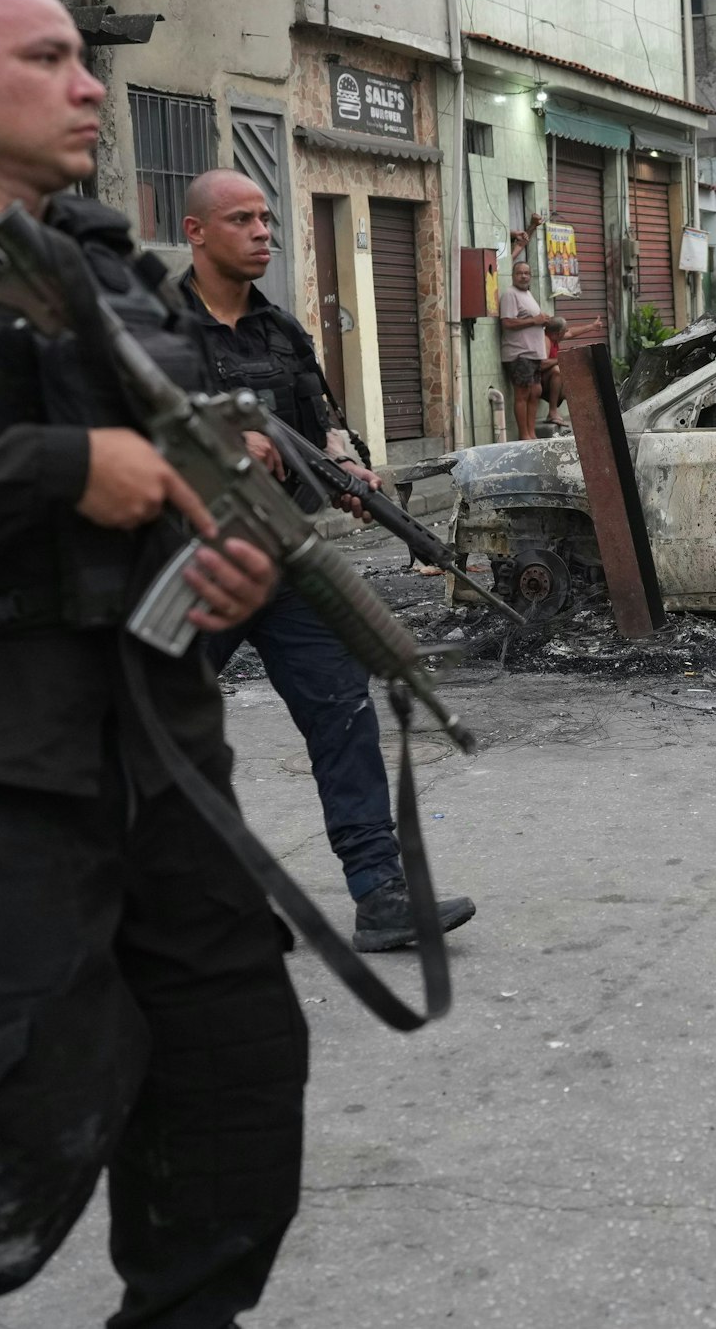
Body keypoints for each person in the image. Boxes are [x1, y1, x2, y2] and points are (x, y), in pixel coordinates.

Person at [0, 0, 301, 1328]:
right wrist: (56, 469)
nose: (90, 84)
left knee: (237, 1095)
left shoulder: (107, 264)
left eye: (85, 59)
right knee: (33, 1118)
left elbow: (178, 473)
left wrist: (231, 557)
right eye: (49, 58)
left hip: (164, 749)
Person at [177, 169, 476, 953]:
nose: (262, 232)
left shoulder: (281, 332)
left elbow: (326, 424)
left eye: (267, 218)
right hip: (193, 561)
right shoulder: (154, 334)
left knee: (343, 719)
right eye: (241, 218)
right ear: (196, 231)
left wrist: (352, 475)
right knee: (157, 731)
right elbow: (120, 438)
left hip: (287, 561)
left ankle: (380, 894)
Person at [498, 259, 562, 440]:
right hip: (520, 353)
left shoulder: (527, 294)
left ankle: (531, 434)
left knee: (536, 392)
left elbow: (534, 320)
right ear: (513, 276)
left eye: (527, 273)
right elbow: (507, 322)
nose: (523, 276)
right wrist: (535, 320)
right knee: (523, 393)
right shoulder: (510, 294)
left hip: (534, 354)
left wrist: (542, 320)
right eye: (520, 273)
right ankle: (524, 435)